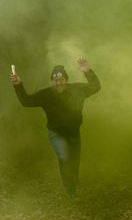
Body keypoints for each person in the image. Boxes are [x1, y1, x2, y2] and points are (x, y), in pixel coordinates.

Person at [10, 57, 101, 195]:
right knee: (64, 157)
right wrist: (18, 85)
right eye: (55, 80)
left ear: (66, 80)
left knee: (74, 159)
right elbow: (26, 101)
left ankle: (73, 182)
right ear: (52, 81)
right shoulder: (46, 94)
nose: (58, 83)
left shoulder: (78, 89)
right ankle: (70, 189)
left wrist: (87, 71)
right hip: (56, 133)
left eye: (61, 79)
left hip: (74, 132)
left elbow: (96, 86)